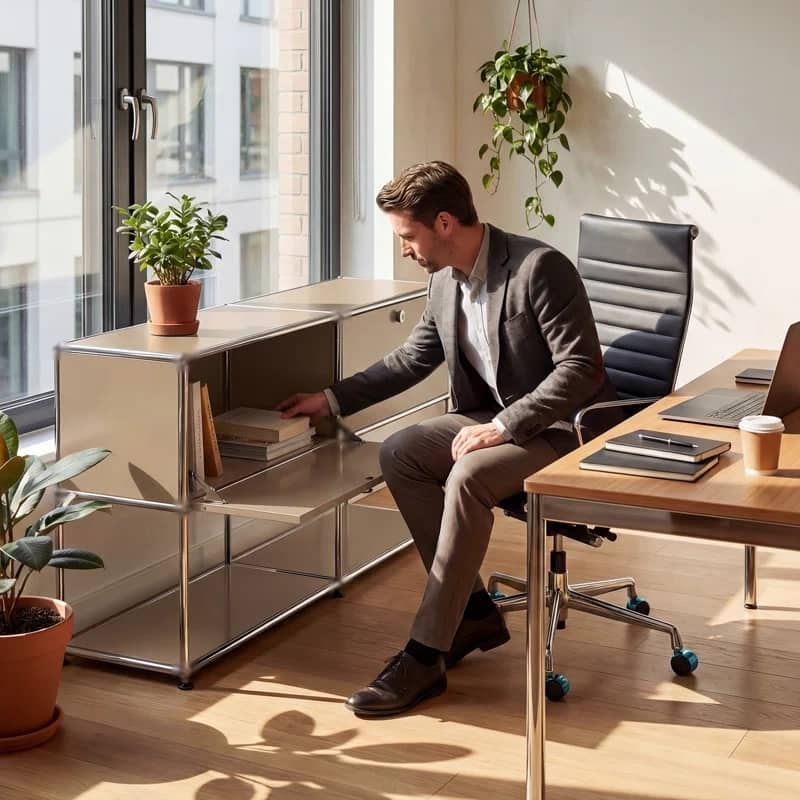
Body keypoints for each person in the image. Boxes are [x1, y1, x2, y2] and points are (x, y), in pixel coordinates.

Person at [277, 160, 616, 717]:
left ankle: (425, 652)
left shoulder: (538, 268)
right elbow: (412, 359)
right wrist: (330, 399)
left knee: (470, 475)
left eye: (407, 236)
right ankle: (473, 612)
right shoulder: (442, 283)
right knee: (401, 452)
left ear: (442, 223)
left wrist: (505, 426)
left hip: (556, 428)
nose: (403, 249)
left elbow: (581, 368)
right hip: (489, 418)